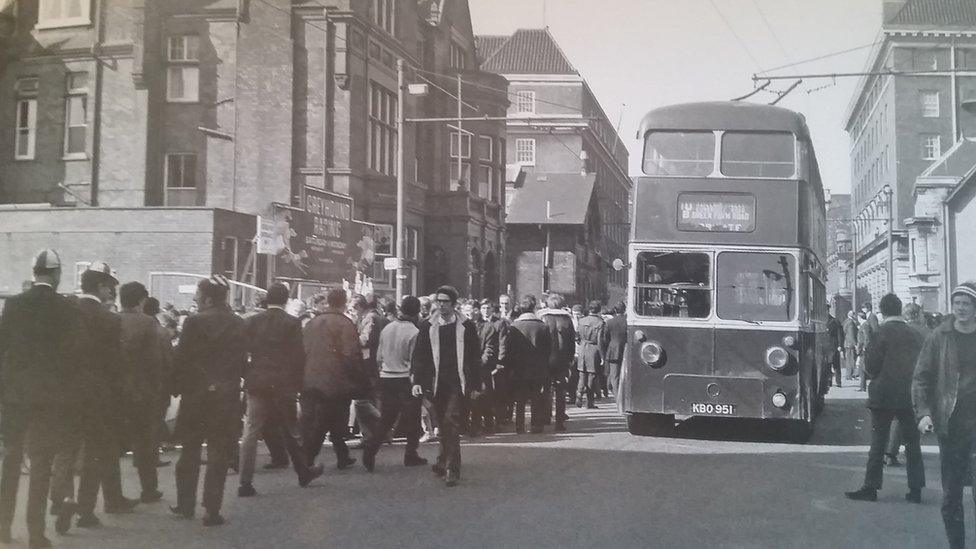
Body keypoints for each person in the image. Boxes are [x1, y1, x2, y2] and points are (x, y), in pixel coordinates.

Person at [0, 250, 83, 548]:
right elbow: (73, 357)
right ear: (57, 274)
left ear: (34, 272)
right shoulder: (66, 308)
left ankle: (3, 528)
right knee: (41, 464)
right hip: (50, 398)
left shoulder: (14, 304)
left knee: (10, 460)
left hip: (15, 396)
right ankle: (36, 533)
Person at [51, 261, 136, 534]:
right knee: (95, 454)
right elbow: (116, 363)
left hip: (65, 394)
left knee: (65, 449)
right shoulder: (110, 319)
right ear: (100, 287)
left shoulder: (64, 311)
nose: (111, 293)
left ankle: (64, 497)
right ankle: (86, 512)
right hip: (99, 397)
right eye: (110, 287)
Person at [170, 276, 246, 526]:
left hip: (196, 395)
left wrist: (177, 387)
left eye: (198, 295)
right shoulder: (237, 323)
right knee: (218, 452)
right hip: (225, 397)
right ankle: (212, 510)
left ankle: (185, 504)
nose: (195, 299)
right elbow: (241, 361)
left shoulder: (193, 322)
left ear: (209, 298)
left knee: (190, 450)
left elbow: (181, 358)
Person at [238, 283, 324, 497]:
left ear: (267, 299)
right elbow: (297, 356)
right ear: (286, 300)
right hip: (283, 383)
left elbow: (241, 352)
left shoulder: (252, 322)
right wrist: (297, 383)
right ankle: (303, 471)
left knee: (251, 431)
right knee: (291, 430)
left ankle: (245, 482)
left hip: (257, 381)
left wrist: (248, 373)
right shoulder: (292, 323)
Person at [844, 293, 925, 504]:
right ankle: (916, 489)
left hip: (883, 395)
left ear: (883, 311)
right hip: (909, 395)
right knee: (912, 443)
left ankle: (871, 487)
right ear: (899, 310)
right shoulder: (915, 334)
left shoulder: (881, 333)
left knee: (878, 442)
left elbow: (870, 366)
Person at [913, 282, 976, 549]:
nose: (961, 308)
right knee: (951, 495)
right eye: (957, 303)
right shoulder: (939, 336)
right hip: (951, 425)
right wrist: (924, 413)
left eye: (967, 303)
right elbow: (921, 378)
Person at [411, 286, 481, 487]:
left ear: (454, 304)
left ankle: (452, 468)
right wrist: (417, 382)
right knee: (442, 423)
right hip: (435, 383)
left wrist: (476, 384)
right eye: (438, 301)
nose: (441, 305)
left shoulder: (466, 326)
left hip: (458, 383)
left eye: (445, 301)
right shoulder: (427, 326)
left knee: (451, 422)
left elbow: (474, 357)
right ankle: (442, 461)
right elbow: (420, 356)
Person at [301, 288, 370, 471]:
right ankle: (309, 459)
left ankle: (342, 455)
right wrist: (358, 378)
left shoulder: (312, 322)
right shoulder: (344, 324)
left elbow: (303, 349)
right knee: (330, 419)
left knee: (329, 418)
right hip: (336, 380)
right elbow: (351, 355)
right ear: (344, 302)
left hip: (311, 377)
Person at [362, 296, 428, 471]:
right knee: (413, 418)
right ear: (416, 312)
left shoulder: (387, 329)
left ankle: (371, 449)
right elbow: (416, 361)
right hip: (406, 378)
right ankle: (410, 454)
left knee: (387, 418)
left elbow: (378, 357)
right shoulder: (415, 332)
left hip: (387, 376)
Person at [116, 282, 167, 505]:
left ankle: (113, 494)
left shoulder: (113, 319)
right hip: (142, 390)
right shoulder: (147, 323)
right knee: (145, 442)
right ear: (141, 300)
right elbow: (154, 361)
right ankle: (149, 489)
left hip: (117, 389)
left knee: (111, 444)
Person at [499, 295, 551, 434]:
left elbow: (509, 349)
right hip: (537, 368)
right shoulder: (543, 326)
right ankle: (536, 425)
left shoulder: (514, 326)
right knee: (536, 397)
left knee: (520, 399)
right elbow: (548, 349)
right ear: (534, 308)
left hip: (519, 369)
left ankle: (519, 426)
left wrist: (509, 367)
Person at [538, 294, 575, 432]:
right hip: (561, 359)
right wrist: (570, 360)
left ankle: (545, 416)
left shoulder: (543, 318)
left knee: (546, 389)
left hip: (546, 359)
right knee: (561, 391)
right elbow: (571, 342)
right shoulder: (566, 320)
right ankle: (559, 421)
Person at [576, 300, 605, 409]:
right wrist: (602, 356)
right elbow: (600, 341)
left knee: (582, 373)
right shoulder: (600, 323)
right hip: (594, 350)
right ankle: (589, 402)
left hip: (583, 348)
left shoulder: (581, 321)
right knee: (592, 376)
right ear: (599, 310)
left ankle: (579, 392)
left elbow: (577, 337)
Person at [602, 301, 627, 398]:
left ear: (615, 310)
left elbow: (606, 338)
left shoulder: (609, 322)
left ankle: (618, 398)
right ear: (624, 309)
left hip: (613, 351)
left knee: (614, 376)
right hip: (625, 349)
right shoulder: (627, 321)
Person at [857, 302, 880, 392]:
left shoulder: (872, 317)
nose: (863, 309)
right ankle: (864, 385)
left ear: (868, 308)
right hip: (868, 344)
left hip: (869, 345)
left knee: (866, 366)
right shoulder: (868, 317)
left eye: (864, 308)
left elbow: (875, 331)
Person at [827, 310, 843, 388]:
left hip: (834, 346)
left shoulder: (835, 321)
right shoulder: (821, 320)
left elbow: (839, 334)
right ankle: (829, 381)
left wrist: (840, 345)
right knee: (827, 365)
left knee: (836, 365)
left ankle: (838, 382)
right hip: (825, 347)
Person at [843, 310, 859, 381]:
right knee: (851, 359)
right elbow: (851, 334)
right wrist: (855, 344)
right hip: (850, 343)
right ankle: (850, 375)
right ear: (852, 315)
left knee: (849, 359)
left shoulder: (846, 321)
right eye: (854, 315)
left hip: (847, 342)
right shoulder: (851, 322)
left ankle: (849, 374)